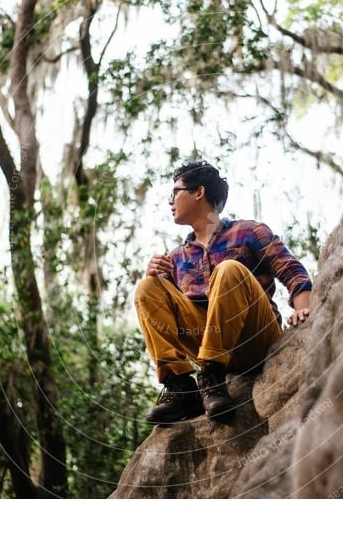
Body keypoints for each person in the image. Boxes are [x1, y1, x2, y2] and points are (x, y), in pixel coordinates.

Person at [134, 161, 313, 425]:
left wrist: (303, 311)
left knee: (229, 269)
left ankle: (213, 376)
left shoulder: (249, 231)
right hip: (205, 341)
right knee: (146, 287)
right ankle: (183, 387)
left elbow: (292, 270)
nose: (170, 201)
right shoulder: (176, 257)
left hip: (256, 339)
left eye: (175, 192)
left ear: (199, 192)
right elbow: (161, 310)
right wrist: (155, 276)